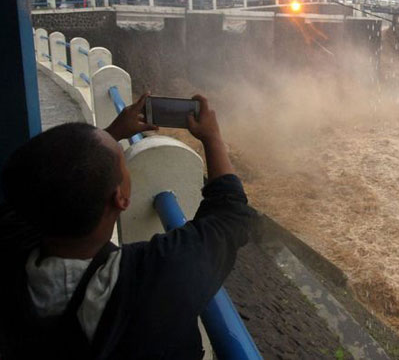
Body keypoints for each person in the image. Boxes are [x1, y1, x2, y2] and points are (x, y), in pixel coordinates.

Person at [0, 93, 256, 359]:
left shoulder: (10, 244)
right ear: (121, 199)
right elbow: (230, 214)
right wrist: (213, 137)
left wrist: (114, 132)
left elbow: (37, 185)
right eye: (123, 165)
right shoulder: (154, 277)